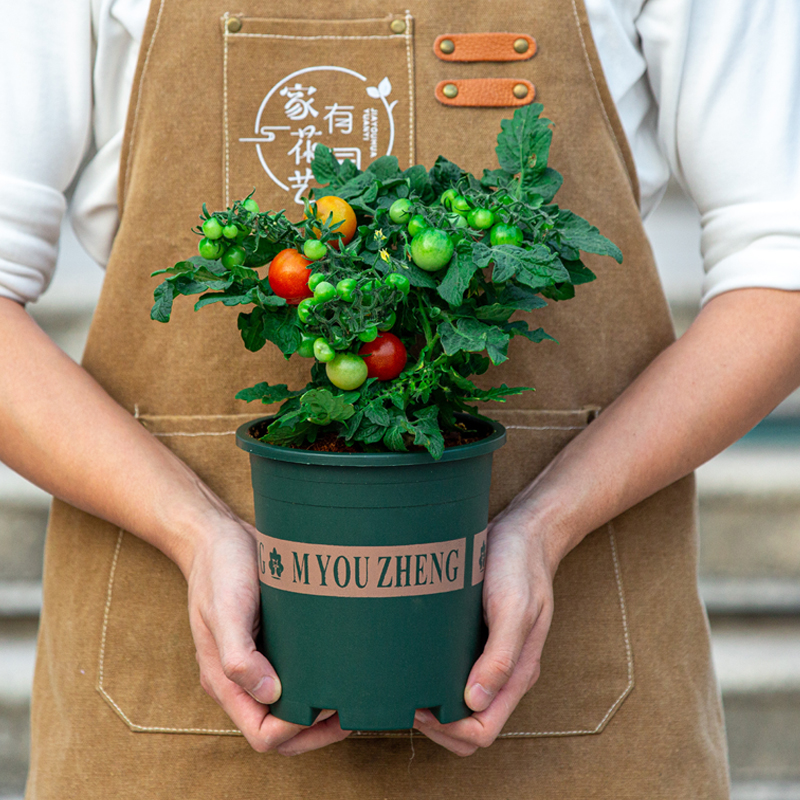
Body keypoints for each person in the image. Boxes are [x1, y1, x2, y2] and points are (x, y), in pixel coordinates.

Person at [1, 0, 799, 797]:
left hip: (574, 699)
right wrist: (193, 528)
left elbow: (783, 270)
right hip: (170, 705)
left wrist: (547, 523)